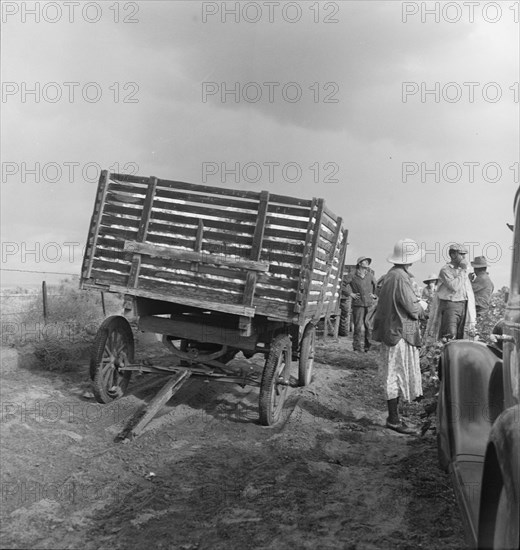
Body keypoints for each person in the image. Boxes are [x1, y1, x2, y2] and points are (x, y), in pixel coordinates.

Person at [372, 238, 426, 435]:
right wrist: (422, 307)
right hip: (399, 331)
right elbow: (411, 309)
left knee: (399, 370)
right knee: (395, 373)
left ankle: (396, 415)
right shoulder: (400, 278)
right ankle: (393, 419)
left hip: (400, 329)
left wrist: (415, 337)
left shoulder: (394, 275)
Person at [425, 243, 476, 341]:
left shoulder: (462, 270)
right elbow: (454, 286)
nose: (464, 257)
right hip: (451, 306)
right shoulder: (446, 270)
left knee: (462, 335)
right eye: (461, 254)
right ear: (453, 255)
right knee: (450, 335)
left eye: (464, 254)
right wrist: (464, 270)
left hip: (463, 304)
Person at [345, 256, 377, 352]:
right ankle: (357, 348)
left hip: (369, 304)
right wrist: (351, 294)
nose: (367, 263)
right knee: (358, 327)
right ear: (359, 263)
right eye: (365, 261)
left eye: (368, 262)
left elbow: (376, 286)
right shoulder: (352, 274)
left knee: (369, 326)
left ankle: (368, 347)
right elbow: (342, 284)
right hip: (358, 304)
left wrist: (374, 295)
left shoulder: (370, 275)